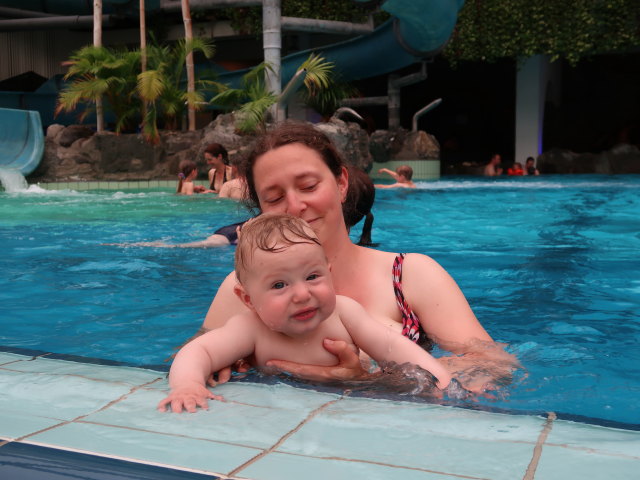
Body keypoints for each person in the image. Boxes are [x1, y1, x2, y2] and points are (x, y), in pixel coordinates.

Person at [199, 122, 516, 391]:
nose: (295, 206)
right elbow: (191, 357)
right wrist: (223, 365)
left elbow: (495, 367)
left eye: (308, 186)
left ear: (341, 183)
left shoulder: (410, 276)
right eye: (275, 197)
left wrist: (372, 380)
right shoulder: (241, 289)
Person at [158, 214, 451, 413]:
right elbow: (198, 352)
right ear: (248, 299)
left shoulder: (344, 312)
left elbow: (397, 349)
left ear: (330, 274)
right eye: (279, 284)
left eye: (312, 277)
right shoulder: (250, 329)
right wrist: (188, 384)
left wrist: (446, 385)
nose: (301, 294)